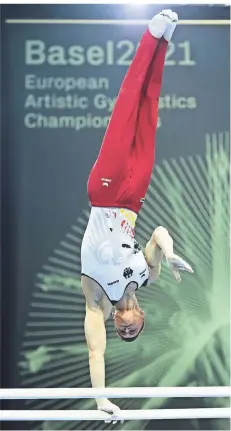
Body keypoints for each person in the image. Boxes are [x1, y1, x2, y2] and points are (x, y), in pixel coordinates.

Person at [81, 10, 194, 417]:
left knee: (127, 108)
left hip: (106, 191)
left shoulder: (97, 299)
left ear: (117, 323)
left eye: (123, 330)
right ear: (142, 316)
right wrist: (171, 251)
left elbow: (96, 352)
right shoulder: (148, 274)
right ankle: (164, 44)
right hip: (134, 199)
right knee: (148, 117)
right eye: (135, 329)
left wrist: (101, 399)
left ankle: (150, 36)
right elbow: (159, 232)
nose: (127, 326)